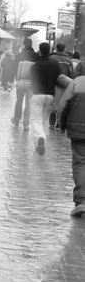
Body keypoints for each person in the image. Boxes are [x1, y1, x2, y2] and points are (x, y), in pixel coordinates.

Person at [58, 75, 85, 217]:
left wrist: (61, 124)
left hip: (78, 131)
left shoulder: (77, 82)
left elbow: (64, 104)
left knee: (80, 163)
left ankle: (81, 202)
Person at [29, 42, 61, 155]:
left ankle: (40, 139)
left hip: (37, 95)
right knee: (45, 120)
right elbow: (59, 78)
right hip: (50, 96)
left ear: (40, 51)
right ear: (49, 51)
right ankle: (41, 145)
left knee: (35, 120)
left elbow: (31, 81)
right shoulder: (55, 64)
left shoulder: (35, 66)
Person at [50, 43, 75, 128]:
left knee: (54, 105)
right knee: (63, 105)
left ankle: (51, 124)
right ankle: (59, 124)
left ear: (56, 49)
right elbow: (72, 74)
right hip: (66, 85)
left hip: (54, 85)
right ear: (64, 49)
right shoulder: (68, 60)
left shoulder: (52, 58)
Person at [11, 56, 34, 131]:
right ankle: (26, 124)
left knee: (19, 101)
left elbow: (18, 75)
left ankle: (16, 120)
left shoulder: (21, 63)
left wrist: (17, 82)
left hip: (21, 82)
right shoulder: (34, 63)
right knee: (28, 103)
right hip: (30, 84)